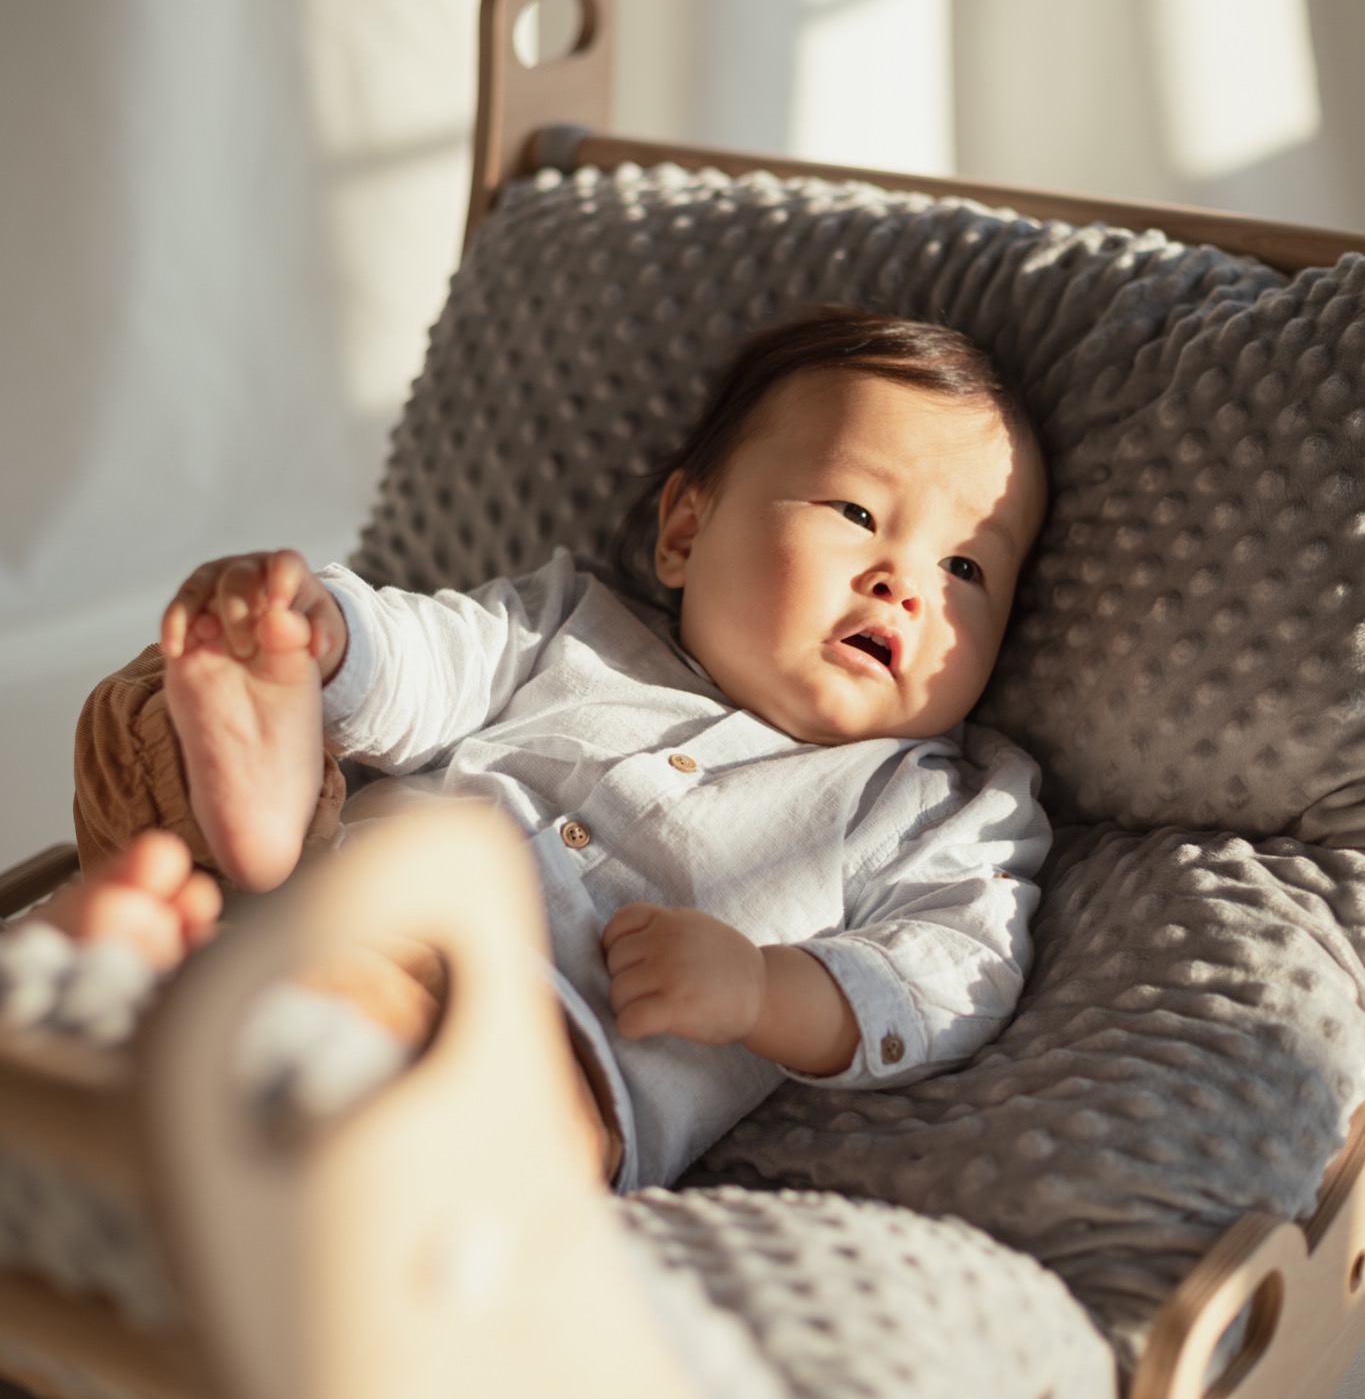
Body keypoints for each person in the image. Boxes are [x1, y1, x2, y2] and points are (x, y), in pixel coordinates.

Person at [71, 310, 1051, 1189]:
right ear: (685, 530)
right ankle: (252, 807)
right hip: (331, 890)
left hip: (538, 1052)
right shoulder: (571, 626)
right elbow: (431, 657)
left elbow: (951, 972)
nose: (903, 583)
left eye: (965, 566)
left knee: (411, 1042)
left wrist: (764, 988)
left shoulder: (934, 805)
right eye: (857, 513)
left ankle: (179, 981)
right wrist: (322, 637)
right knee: (148, 696)